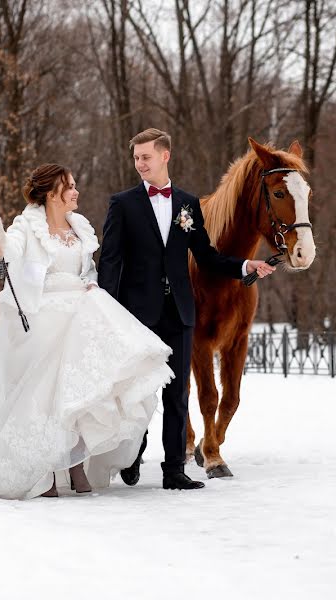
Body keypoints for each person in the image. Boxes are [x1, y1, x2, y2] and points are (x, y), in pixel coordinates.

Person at [0, 164, 173, 499]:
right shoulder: (26, 226)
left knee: (86, 381)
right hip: (44, 313)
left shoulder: (79, 227)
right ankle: (46, 469)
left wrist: (91, 286)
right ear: (51, 193)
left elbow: (89, 270)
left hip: (81, 307)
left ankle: (76, 463)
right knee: (55, 382)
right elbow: (11, 249)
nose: (76, 192)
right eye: (70, 187)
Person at [98, 128, 275, 491]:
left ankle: (173, 470)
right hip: (138, 313)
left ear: (165, 156)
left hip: (180, 309)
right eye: (136, 158)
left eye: (146, 156)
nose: (140, 164)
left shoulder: (187, 204)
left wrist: (245, 266)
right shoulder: (123, 203)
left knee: (177, 393)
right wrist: (107, 309)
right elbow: (111, 261)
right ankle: (133, 454)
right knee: (139, 391)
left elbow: (206, 255)